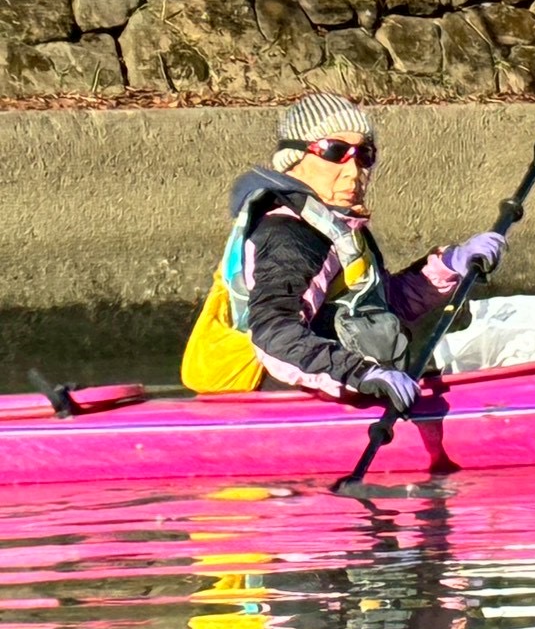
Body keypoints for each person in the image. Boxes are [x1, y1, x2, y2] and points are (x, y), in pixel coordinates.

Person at [181, 92, 505, 411]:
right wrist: (360, 374)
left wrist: (452, 265)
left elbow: (381, 305)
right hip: (282, 392)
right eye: (335, 151)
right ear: (294, 160)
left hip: (342, 379)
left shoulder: (337, 225)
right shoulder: (290, 235)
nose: (353, 172)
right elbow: (274, 333)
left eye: (364, 155)